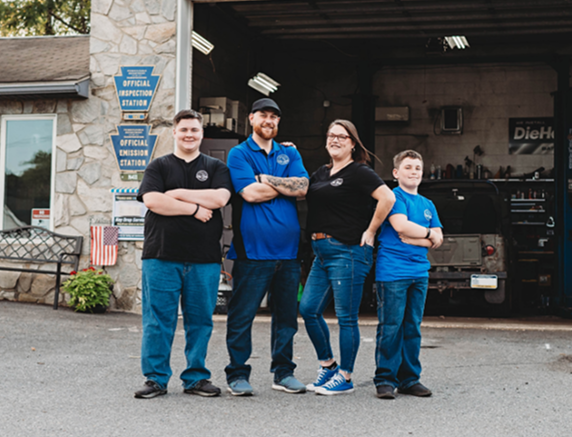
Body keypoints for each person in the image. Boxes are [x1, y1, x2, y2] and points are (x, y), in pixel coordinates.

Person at [134, 109, 232, 399]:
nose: (189, 135)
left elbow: (219, 199)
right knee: (157, 319)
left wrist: (175, 193)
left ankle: (196, 378)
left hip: (204, 259)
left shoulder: (216, 167)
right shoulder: (158, 166)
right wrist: (193, 208)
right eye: (184, 130)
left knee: (200, 320)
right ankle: (155, 379)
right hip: (161, 255)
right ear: (174, 133)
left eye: (194, 130)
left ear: (202, 134)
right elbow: (152, 200)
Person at [300, 119, 395, 395]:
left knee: (346, 317)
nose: (335, 140)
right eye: (331, 135)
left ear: (353, 143)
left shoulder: (360, 172)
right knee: (308, 309)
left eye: (342, 136)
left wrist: (372, 230)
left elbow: (387, 198)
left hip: (349, 251)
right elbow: (301, 188)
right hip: (321, 252)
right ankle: (328, 365)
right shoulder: (321, 172)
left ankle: (346, 376)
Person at [224, 98, 310, 396]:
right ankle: (237, 374)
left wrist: (267, 179)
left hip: (288, 253)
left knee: (286, 317)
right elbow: (250, 194)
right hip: (253, 252)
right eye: (263, 115)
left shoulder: (289, 152)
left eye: (274, 116)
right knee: (242, 315)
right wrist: (283, 184)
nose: (269, 120)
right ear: (251, 118)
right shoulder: (239, 154)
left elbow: (303, 188)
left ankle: (283, 373)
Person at [373, 150, 443, 399]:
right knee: (391, 326)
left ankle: (409, 379)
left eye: (417, 168)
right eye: (408, 167)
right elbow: (401, 226)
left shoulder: (428, 204)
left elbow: (439, 238)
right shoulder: (394, 197)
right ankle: (385, 379)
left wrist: (421, 238)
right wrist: (428, 235)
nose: (414, 172)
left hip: (419, 273)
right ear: (396, 173)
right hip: (393, 272)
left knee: (412, 327)